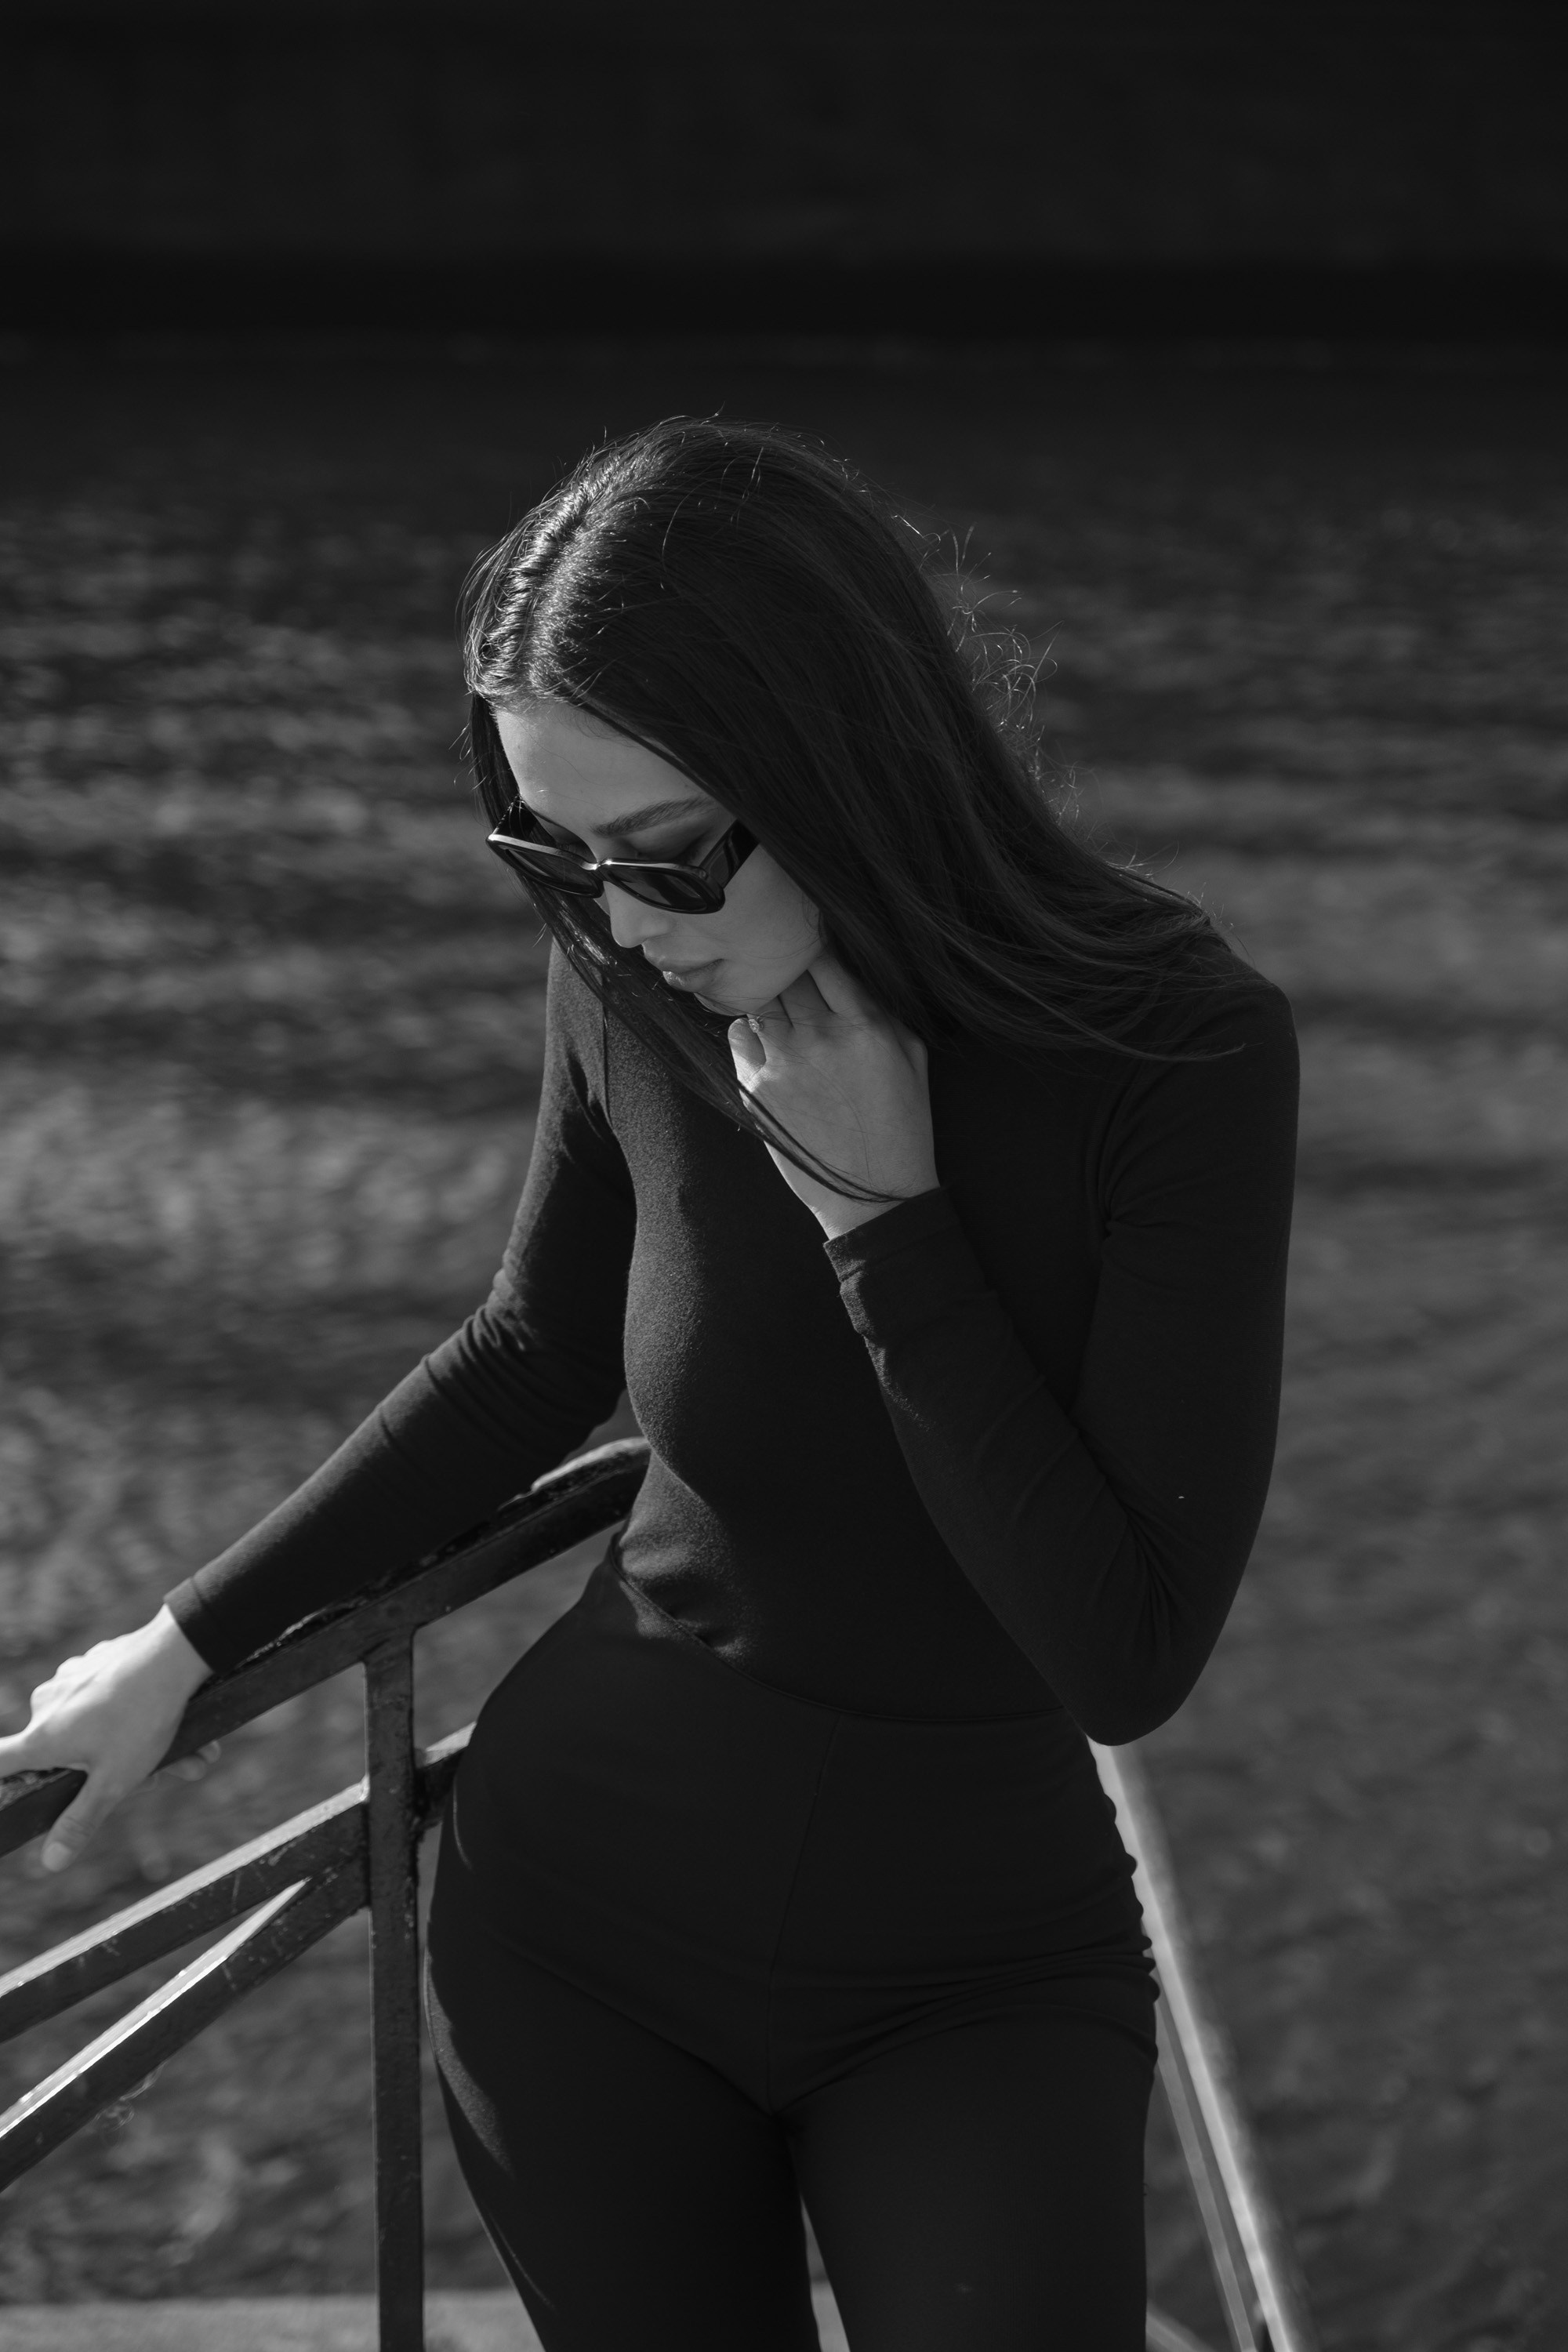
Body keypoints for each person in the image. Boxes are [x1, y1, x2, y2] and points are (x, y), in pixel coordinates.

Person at [0, 418, 1298, 2350]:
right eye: (554, 855)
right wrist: (184, 1646)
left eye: (667, 857)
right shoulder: (627, 970)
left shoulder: (1174, 1051)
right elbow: (529, 1354)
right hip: (574, 1938)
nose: (619, 919)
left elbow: (1124, 1654)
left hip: (972, 1975)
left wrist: (884, 1223)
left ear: (842, 758)